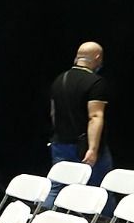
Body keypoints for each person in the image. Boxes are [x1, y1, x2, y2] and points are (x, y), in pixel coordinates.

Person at [48, 42, 112, 185]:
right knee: (99, 188)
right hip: (84, 147)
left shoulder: (59, 80)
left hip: (60, 143)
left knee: (58, 187)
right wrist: (93, 149)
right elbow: (95, 116)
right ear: (98, 57)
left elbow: (53, 113)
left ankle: (47, 208)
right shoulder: (96, 82)